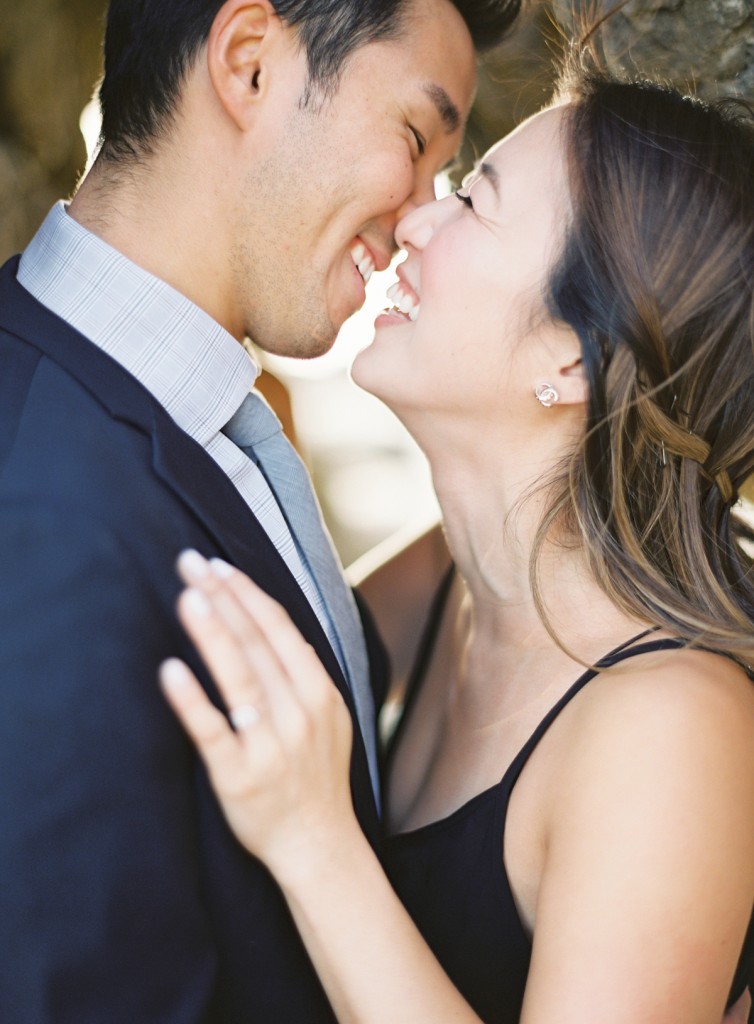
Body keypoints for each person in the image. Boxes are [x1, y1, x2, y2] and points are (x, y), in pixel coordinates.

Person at [160, 61, 754, 1024]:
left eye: (475, 201)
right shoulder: (450, 572)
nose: (415, 222)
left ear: (572, 357)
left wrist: (315, 842)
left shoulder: (669, 730)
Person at [0, 0, 523, 1020]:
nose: (422, 212)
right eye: (416, 140)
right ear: (248, 65)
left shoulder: (186, 412)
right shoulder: (38, 515)